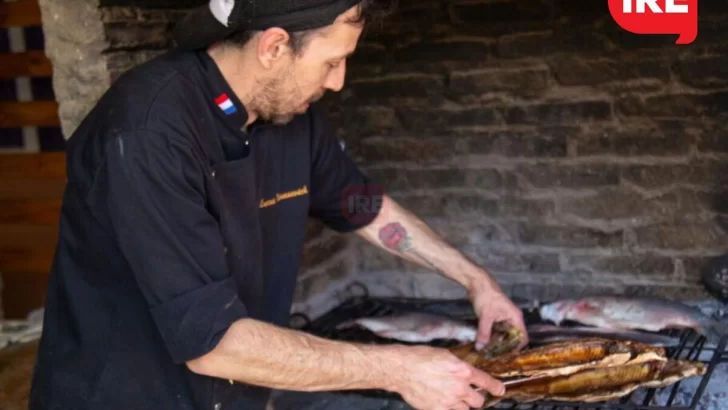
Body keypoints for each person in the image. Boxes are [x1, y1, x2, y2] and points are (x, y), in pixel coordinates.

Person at [28, 1, 528, 409]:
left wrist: (474, 280)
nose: (338, 81)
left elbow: (363, 206)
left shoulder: (290, 114)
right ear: (274, 47)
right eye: (331, 62)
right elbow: (213, 342)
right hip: (124, 395)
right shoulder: (148, 131)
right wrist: (400, 369)